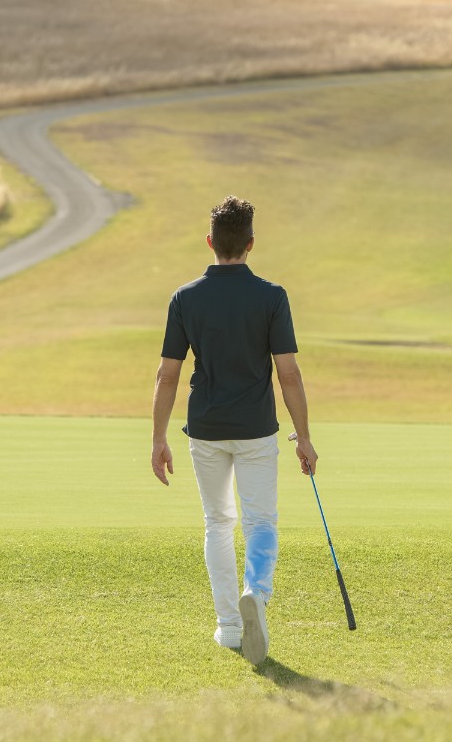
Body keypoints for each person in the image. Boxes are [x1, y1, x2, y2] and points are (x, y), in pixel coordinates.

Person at [150, 195, 317, 666]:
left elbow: (167, 375)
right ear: (250, 243)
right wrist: (303, 437)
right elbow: (289, 375)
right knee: (260, 521)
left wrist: (158, 439)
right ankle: (256, 597)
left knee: (218, 522)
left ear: (210, 242)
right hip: (257, 430)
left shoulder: (185, 298)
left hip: (204, 429)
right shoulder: (271, 296)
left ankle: (228, 627)